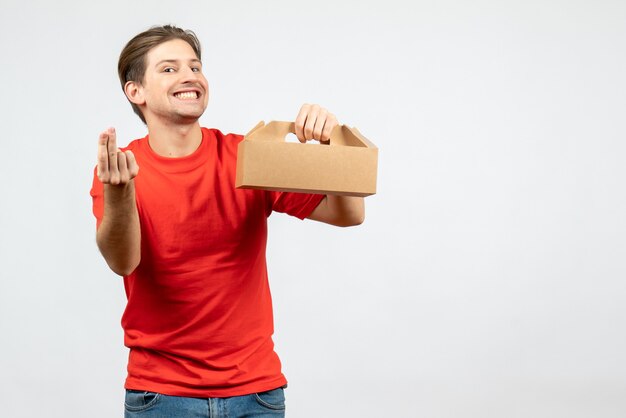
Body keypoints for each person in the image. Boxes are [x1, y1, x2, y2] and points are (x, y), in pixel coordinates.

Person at [90, 25, 365, 418]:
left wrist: (332, 144)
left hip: (256, 393)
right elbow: (123, 261)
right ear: (136, 92)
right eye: (169, 69)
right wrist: (120, 193)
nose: (190, 77)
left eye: (195, 66)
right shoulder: (122, 170)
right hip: (162, 395)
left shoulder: (246, 156)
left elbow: (350, 214)